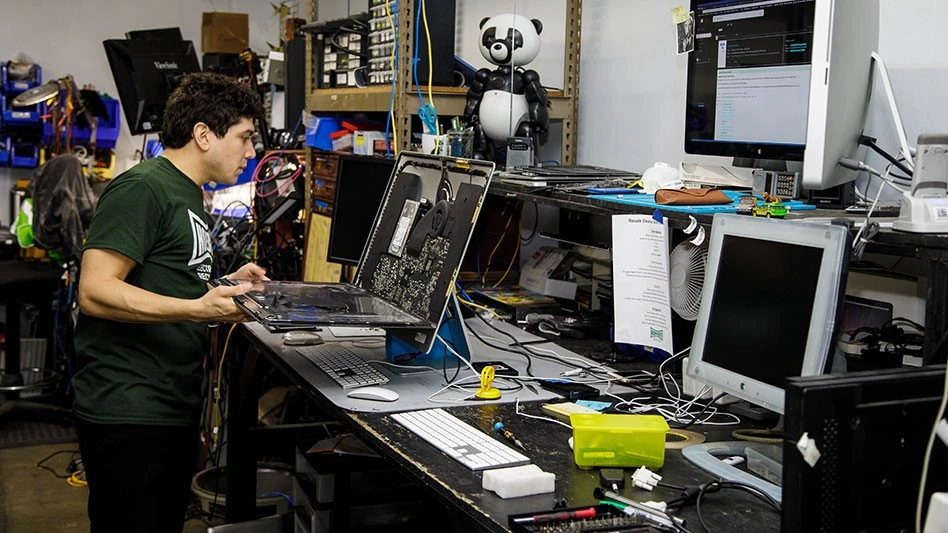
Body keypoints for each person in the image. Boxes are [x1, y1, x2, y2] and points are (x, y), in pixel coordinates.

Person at [73, 72, 267, 533]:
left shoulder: (188, 193)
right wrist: (200, 309)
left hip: (169, 403)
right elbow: (96, 290)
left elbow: (166, 277)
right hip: (129, 408)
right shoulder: (144, 187)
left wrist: (221, 282)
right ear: (204, 134)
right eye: (243, 138)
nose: (250, 152)